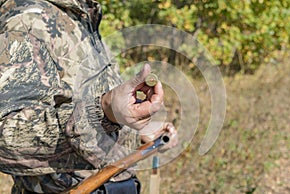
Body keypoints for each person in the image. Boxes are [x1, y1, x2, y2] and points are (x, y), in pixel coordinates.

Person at [0, 0, 178, 193]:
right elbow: (4, 140)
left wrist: (133, 134)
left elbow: (84, 113)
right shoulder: (28, 20)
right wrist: (103, 112)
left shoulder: (81, 16)